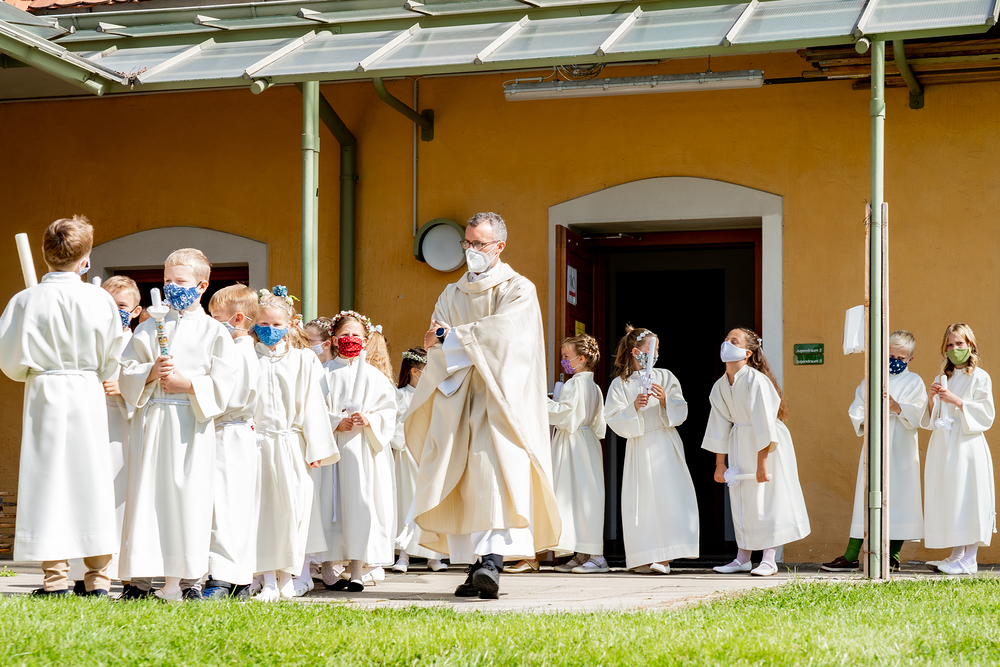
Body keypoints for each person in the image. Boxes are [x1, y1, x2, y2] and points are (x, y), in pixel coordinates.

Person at [405, 211, 560, 600]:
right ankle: (477, 566)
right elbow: (435, 340)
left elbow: (507, 337)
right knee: (465, 481)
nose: (471, 249)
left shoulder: (518, 288)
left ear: (499, 246)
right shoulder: (452, 293)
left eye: (479, 243)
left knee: (495, 476)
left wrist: (452, 337)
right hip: (460, 396)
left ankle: (492, 561)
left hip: (500, 400)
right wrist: (450, 340)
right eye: (467, 243)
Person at [0, 216, 126, 597]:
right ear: (85, 258)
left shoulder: (25, 300)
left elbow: (9, 359)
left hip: (46, 391)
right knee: (92, 478)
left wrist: (32, 370)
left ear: (45, 253)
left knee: (48, 479)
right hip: (86, 389)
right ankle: (98, 577)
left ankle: (54, 578)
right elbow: (112, 356)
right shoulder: (99, 299)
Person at [117, 248, 238, 602]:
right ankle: (141, 580)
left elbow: (225, 383)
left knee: (188, 498)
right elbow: (126, 371)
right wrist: (150, 372)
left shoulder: (215, 332)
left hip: (191, 425)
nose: (172, 287)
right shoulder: (148, 327)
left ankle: (187, 580)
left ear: (202, 286)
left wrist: (188, 384)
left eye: (180, 281)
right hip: (154, 422)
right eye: (167, 280)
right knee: (148, 497)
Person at [251, 288, 338, 601]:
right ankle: (266, 579)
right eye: (264, 324)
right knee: (262, 511)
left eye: (277, 324)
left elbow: (313, 405)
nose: (270, 330)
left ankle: (288, 576)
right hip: (257, 444)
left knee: (293, 510)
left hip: (291, 444)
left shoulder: (303, 360)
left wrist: (316, 448)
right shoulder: (247, 356)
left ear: (289, 325)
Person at [703, 327, 810, 577]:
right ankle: (743, 558)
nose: (726, 344)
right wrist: (720, 463)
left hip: (766, 446)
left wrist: (763, 463)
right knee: (743, 500)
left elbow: (764, 423)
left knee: (768, 498)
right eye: (726, 339)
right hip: (740, 442)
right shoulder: (720, 385)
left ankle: (769, 559)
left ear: (748, 353)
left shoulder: (757, 381)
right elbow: (718, 424)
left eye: (734, 341)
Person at [822, 330, 926, 573]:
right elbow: (857, 410)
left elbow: (921, 413)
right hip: (874, 444)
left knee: (901, 498)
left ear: (910, 359)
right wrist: (871, 411)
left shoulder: (914, 382)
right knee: (867, 496)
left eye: (900, 358)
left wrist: (897, 407)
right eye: (890, 356)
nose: (894, 361)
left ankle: (893, 556)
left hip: (902, 448)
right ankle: (851, 555)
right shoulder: (871, 379)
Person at [605, 325, 699, 574]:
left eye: (657, 350)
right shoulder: (620, 384)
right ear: (636, 352)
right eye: (652, 349)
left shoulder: (665, 376)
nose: (656, 354)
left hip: (664, 443)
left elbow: (681, 409)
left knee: (669, 496)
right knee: (642, 500)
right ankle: (645, 556)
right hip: (638, 443)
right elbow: (612, 416)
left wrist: (666, 399)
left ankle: (665, 557)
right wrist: (633, 407)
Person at [315, 311, 397, 593]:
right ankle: (327, 568)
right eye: (345, 335)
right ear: (334, 339)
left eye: (356, 335)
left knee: (362, 505)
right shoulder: (323, 373)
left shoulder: (375, 376)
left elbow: (389, 410)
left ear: (365, 339)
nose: (350, 339)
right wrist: (335, 422)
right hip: (332, 451)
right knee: (330, 505)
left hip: (364, 452)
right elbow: (311, 410)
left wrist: (370, 419)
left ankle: (358, 569)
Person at [197, 284, 262, 599]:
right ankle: (237, 577)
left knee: (226, 506)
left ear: (237, 319)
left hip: (229, 432)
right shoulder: (236, 349)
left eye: (216, 317)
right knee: (230, 506)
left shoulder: (239, 352)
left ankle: (222, 577)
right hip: (229, 432)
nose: (211, 323)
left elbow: (229, 397)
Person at [921, 323, 995, 575]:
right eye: (950, 345)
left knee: (968, 495)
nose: (954, 349)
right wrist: (932, 399)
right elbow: (934, 418)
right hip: (944, 444)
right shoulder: (943, 377)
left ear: (970, 345)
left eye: (959, 343)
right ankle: (956, 556)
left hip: (966, 443)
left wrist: (958, 402)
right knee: (950, 496)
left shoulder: (980, 377)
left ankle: (970, 558)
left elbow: (986, 413)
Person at [548, 334, 608, 575]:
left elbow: (565, 414)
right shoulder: (594, 386)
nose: (563, 361)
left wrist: (542, 403)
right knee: (583, 495)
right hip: (587, 442)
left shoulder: (574, 384)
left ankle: (597, 556)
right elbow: (599, 423)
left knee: (578, 496)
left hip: (573, 442)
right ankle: (583, 552)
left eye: (566, 356)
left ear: (581, 359)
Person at [391, 347, 448, 573]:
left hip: (430, 452)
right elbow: (394, 425)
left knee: (430, 503)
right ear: (415, 371)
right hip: (408, 455)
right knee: (407, 501)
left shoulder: (436, 394)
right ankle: (403, 554)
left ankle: (433, 556)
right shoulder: (400, 395)